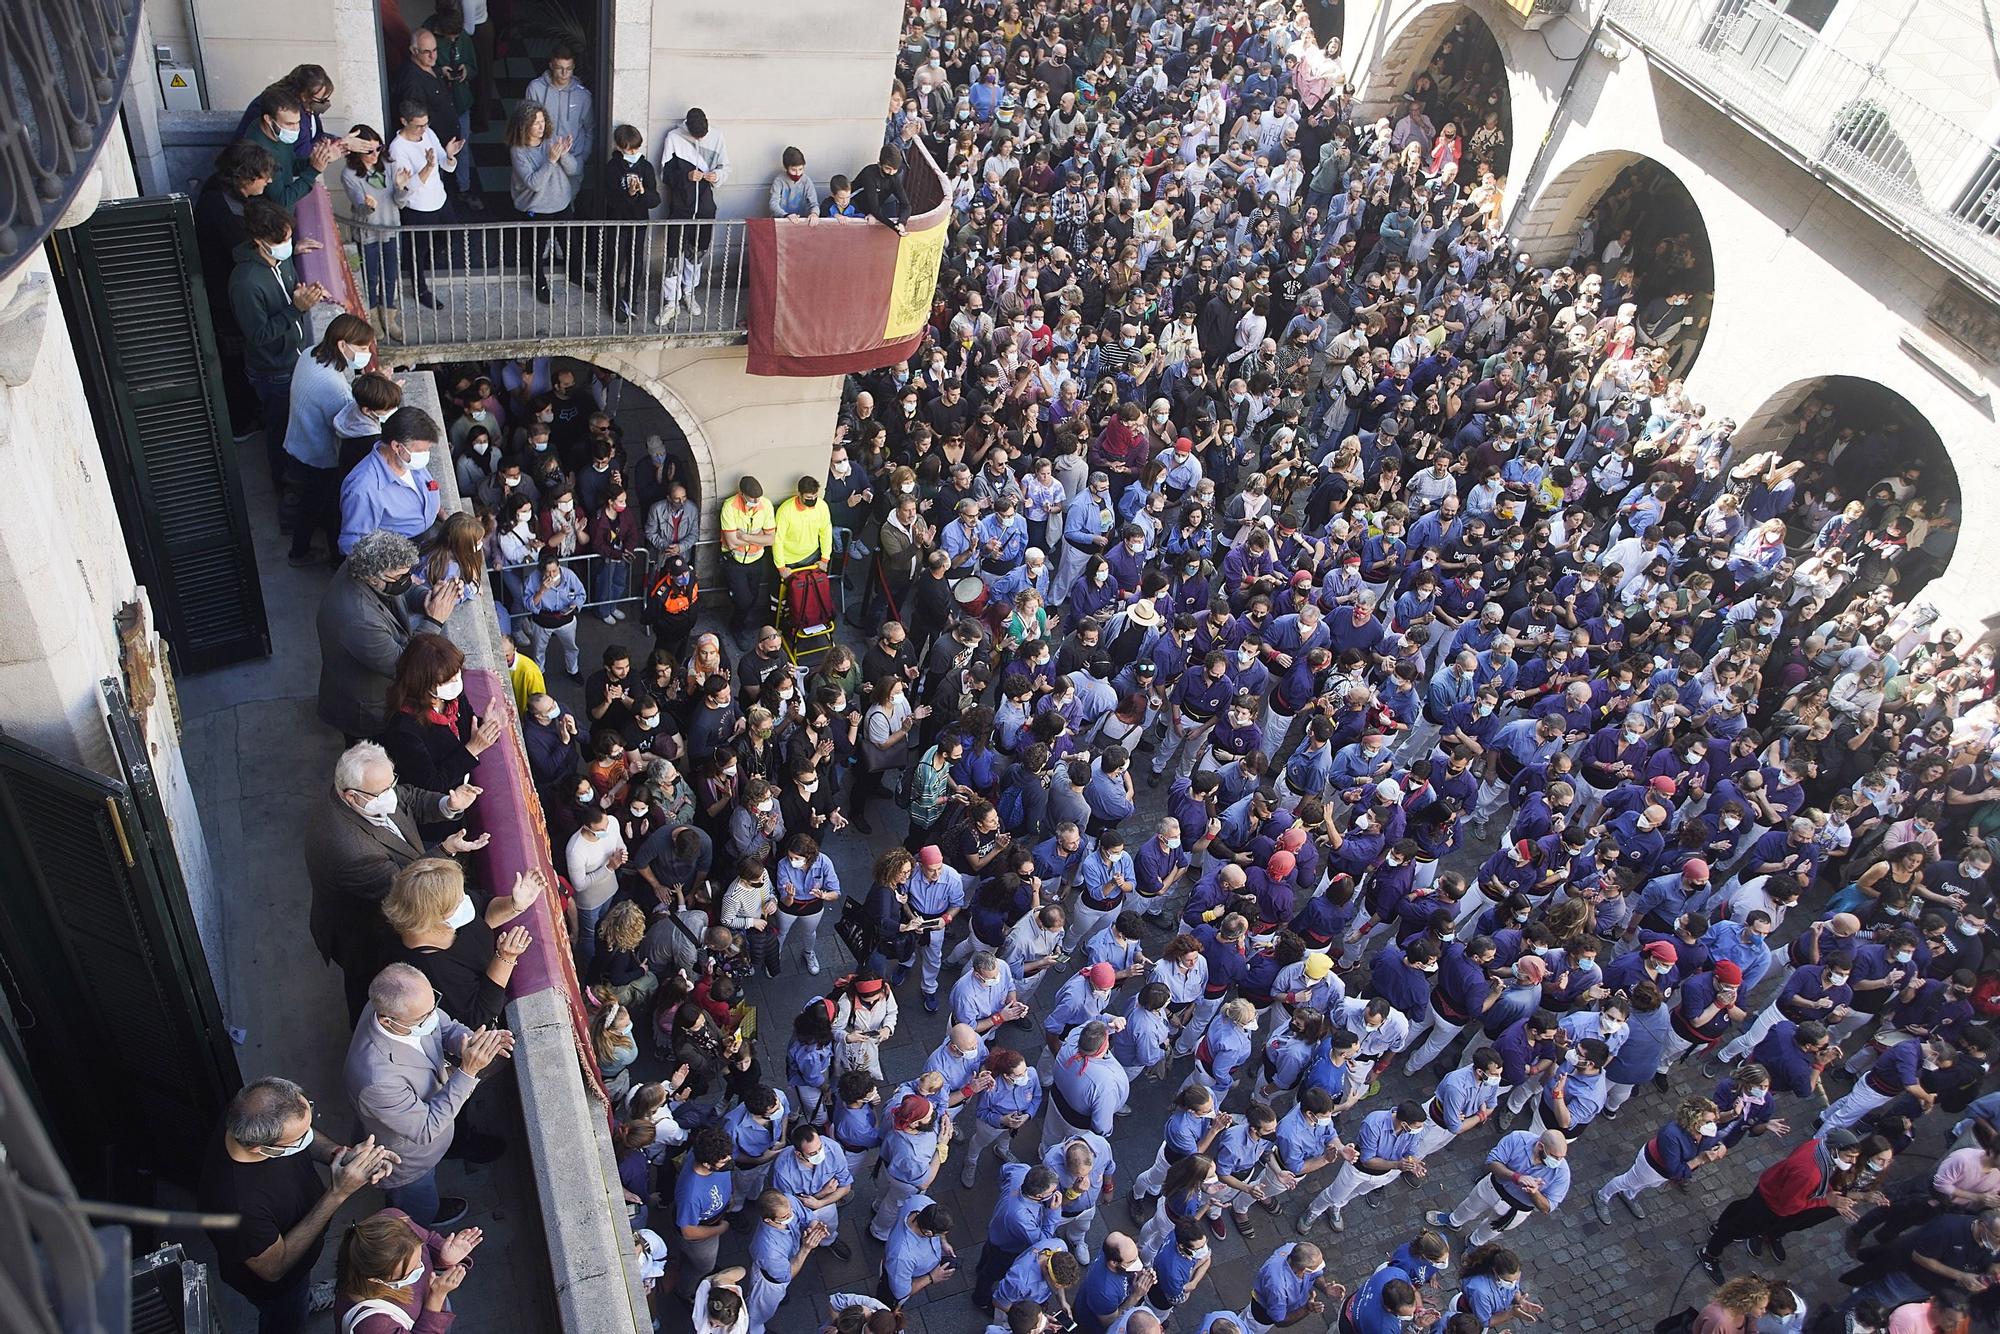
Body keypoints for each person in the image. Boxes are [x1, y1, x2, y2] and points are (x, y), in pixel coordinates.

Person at [198, 1077, 399, 1334]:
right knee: (286, 1319)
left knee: (300, 1291)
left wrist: (341, 1155)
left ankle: (306, 1298)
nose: (309, 1135)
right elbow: (274, 1268)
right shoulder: (237, 1205)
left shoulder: (248, 1110)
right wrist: (338, 1193)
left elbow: (307, 1138)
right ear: (264, 1148)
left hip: (301, 1261)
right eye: (300, 1137)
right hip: (277, 1287)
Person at [304, 742, 485, 1022]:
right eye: (382, 792)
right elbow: (405, 887)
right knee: (367, 984)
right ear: (351, 797)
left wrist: (447, 804)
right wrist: (446, 850)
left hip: (385, 906)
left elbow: (407, 797)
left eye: (392, 783)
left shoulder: (368, 793)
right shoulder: (348, 848)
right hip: (364, 931)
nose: (390, 795)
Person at [341, 963, 515, 1228]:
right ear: (387, 1020)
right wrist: (467, 1071)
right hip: (408, 1160)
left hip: (427, 1130)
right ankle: (421, 1223)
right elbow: (425, 1129)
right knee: (417, 1207)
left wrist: (471, 1041)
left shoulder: (409, 1009)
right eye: (423, 1017)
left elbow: (444, 1028)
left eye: (434, 1004)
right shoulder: (375, 1080)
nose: (432, 1017)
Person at [384, 855, 540, 1030]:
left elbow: (483, 911)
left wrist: (514, 904)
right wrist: (506, 958)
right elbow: (477, 1014)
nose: (464, 899)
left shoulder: (451, 910)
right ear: (434, 916)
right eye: (457, 902)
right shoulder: (430, 968)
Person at [227, 197, 322, 482]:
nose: (287, 244)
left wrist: (304, 295)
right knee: (280, 429)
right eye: (281, 240)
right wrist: (297, 309)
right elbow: (258, 335)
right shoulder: (245, 283)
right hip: (274, 370)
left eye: (289, 238)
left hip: (294, 355)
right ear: (259, 241)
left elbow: (291, 288)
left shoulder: (282, 260)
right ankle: (282, 482)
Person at [281, 314, 377, 565]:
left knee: (310, 503)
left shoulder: (312, 354)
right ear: (342, 345)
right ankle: (303, 554)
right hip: (317, 457)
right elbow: (352, 425)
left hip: (297, 443)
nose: (367, 353)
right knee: (322, 508)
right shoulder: (334, 387)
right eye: (363, 348)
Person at [331, 1207, 483, 1334]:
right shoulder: (372, 1325)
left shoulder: (394, 1219)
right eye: (410, 1271)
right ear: (376, 1279)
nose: (422, 1267)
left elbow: (428, 1240)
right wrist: (436, 1297)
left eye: (419, 1257)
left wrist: (444, 1258)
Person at [1424, 1129, 1570, 1247]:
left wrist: (1534, 1193)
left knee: (1491, 1229)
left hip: (1517, 1208)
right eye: (1554, 1156)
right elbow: (1492, 1162)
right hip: (1493, 1187)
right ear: (1540, 1147)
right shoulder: (1518, 1139)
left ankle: (1473, 1242)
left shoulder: (1562, 1172)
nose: (1558, 1161)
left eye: (1561, 1157)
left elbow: (1547, 1207)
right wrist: (1516, 1177)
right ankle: (1453, 1221)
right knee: (1469, 1206)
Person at [384, 99, 461, 310]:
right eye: (418, 125)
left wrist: (451, 156)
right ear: (403, 121)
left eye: (426, 123)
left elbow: (446, 164)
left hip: (440, 200)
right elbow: (406, 187)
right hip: (417, 208)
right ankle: (420, 289)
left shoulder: (428, 133)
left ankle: (429, 262)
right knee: (417, 251)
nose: (423, 129)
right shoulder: (397, 149)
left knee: (450, 237)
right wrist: (428, 166)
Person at [340, 407, 446, 554]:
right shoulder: (363, 489)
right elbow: (352, 542)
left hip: (430, 532)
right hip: (400, 552)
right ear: (397, 446)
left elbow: (428, 489)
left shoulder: (408, 461)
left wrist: (441, 513)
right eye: (421, 451)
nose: (425, 455)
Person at [658, 107, 729, 324]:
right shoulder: (674, 137)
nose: (700, 138)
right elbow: (665, 173)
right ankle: (671, 301)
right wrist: (687, 176)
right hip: (680, 208)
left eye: (703, 135)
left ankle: (689, 293)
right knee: (672, 255)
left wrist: (715, 175)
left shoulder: (717, 137)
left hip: (705, 209)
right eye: (696, 135)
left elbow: (726, 168)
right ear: (687, 127)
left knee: (697, 254)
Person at [505, 100, 578, 302]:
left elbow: (573, 169)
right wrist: (551, 160)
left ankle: (576, 274)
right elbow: (533, 183)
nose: (541, 126)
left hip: (561, 202)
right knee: (536, 248)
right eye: (536, 123)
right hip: (536, 207)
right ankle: (540, 284)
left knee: (570, 242)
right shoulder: (518, 151)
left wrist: (564, 154)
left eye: (542, 120)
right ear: (524, 126)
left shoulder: (550, 139)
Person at [603, 123, 661, 322]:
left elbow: (655, 200)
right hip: (618, 223)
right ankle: (613, 300)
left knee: (636, 263)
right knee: (614, 263)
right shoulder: (612, 168)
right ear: (620, 147)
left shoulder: (646, 167)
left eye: (636, 148)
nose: (634, 152)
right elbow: (611, 200)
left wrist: (642, 192)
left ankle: (631, 298)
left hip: (639, 222)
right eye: (630, 148)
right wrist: (629, 194)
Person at [721, 475, 778, 640]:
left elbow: (771, 539)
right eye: (752, 498)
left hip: (756, 559)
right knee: (744, 600)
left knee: (752, 597)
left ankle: (742, 620)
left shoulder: (765, 505)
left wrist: (745, 536)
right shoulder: (730, 506)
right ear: (741, 494)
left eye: (757, 498)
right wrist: (759, 536)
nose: (755, 501)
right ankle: (736, 627)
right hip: (735, 561)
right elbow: (731, 543)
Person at [770, 146, 818, 218]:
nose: (798, 173)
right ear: (786, 168)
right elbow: (773, 204)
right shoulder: (779, 181)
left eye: (800, 169)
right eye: (793, 170)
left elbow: (814, 204)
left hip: (802, 222)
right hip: (782, 220)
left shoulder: (807, 181)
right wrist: (786, 215)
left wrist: (814, 214)